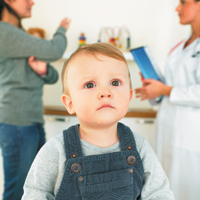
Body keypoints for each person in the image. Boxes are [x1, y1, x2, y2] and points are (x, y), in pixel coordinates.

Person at [22, 43, 175, 200]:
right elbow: (35, 194)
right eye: (90, 85)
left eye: (115, 83)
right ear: (70, 103)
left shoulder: (140, 147)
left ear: (129, 97)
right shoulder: (56, 150)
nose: (105, 92)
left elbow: (159, 193)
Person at [0, 0, 71, 199]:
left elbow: (54, 76)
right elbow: (54, 49)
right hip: (18, 123)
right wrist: (62, 29)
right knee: (18, 190)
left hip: (30, 122)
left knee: (38, 188)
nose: (32, 2)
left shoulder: (18, 36)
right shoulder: (4, 32)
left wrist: (44, 70)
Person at [135, 0, 200, 200]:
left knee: (186, 189)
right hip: (167, 126)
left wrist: (164, 89)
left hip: (191, 135)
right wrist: (155, 91)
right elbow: (171, 88)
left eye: (183, 2)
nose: (177, 8)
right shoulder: (178, 47)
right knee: (162, 186)